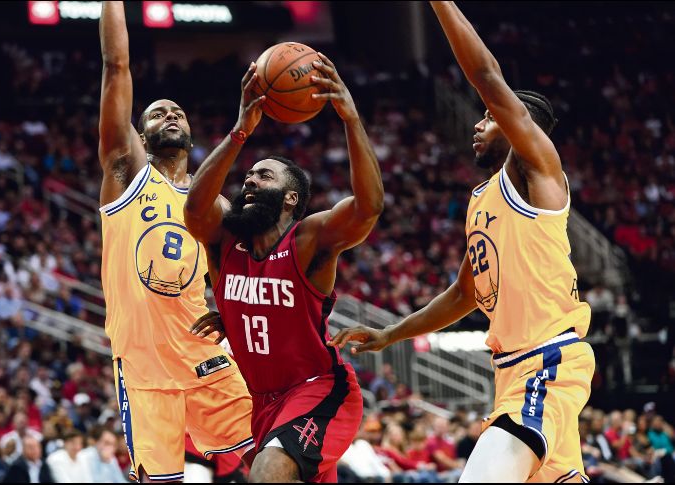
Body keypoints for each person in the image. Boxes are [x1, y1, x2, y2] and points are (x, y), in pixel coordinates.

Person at [329, 2, 595, 482]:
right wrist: (392, 335)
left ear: (517, 128)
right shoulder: (480, 199)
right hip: (513, 371)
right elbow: (463, 295)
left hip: (547, 363)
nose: (477, 123)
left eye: (489, 118)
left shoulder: (537, 171)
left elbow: (487, 77)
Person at [186, 53, 384, 482]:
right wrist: (240, 131)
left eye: (265, 177)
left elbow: (369, 207)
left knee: (269, 470)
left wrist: (351, 119)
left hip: (318, 388)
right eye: (249, 177)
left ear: (290, 199)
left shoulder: (309, 239)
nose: (251, 181)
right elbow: (195, 209)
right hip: (263, 402)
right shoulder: (225, 242)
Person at [97, 2, 253, 481]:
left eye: (177, 112)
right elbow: (116, 65)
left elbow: (249, 272)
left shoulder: (217, 207)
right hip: (142, 365)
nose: (169, 114)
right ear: (140, 133)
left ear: (190, 133)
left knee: (274, 449)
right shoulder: (126, 171)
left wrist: (230, 311)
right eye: (157, 112)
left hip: (201, 349)